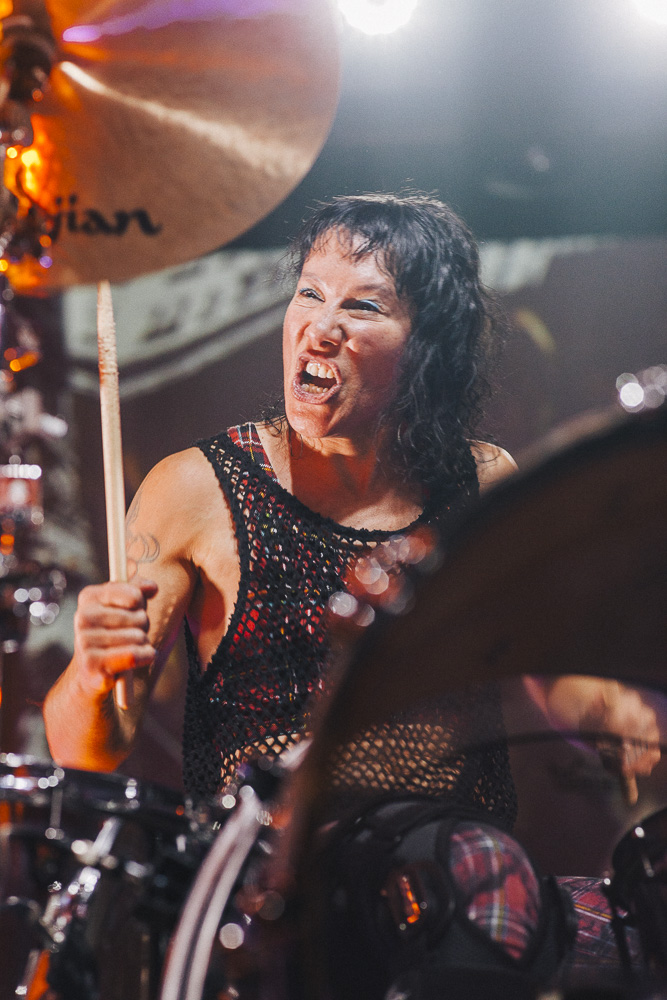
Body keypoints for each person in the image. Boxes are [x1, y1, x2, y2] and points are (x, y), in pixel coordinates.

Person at [43, 193, 659, 986]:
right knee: (483, 877)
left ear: (425, 349)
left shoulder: (478, 481)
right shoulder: (196, 489)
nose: (320, 326)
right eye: (308, 293)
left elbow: (544, 678)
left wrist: (621, 712)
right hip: (277, 877)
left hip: (439, 874)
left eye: (361, 306)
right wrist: (95, 673)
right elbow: (86, 746)